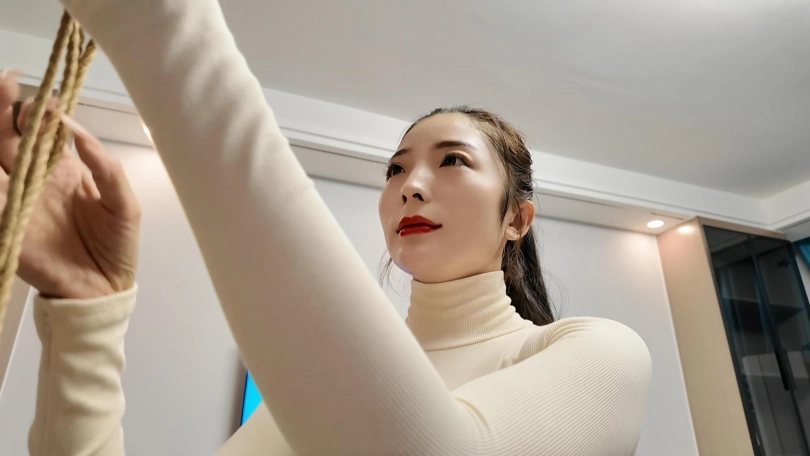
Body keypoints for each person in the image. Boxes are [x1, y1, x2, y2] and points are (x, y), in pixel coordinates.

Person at [0, 0, 652, 453]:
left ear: (517, 217)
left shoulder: (598, 354)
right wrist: (87, 312)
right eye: (395, 170)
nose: (410, 185)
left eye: (452, 160)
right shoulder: (305, 403)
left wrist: (163, 28)